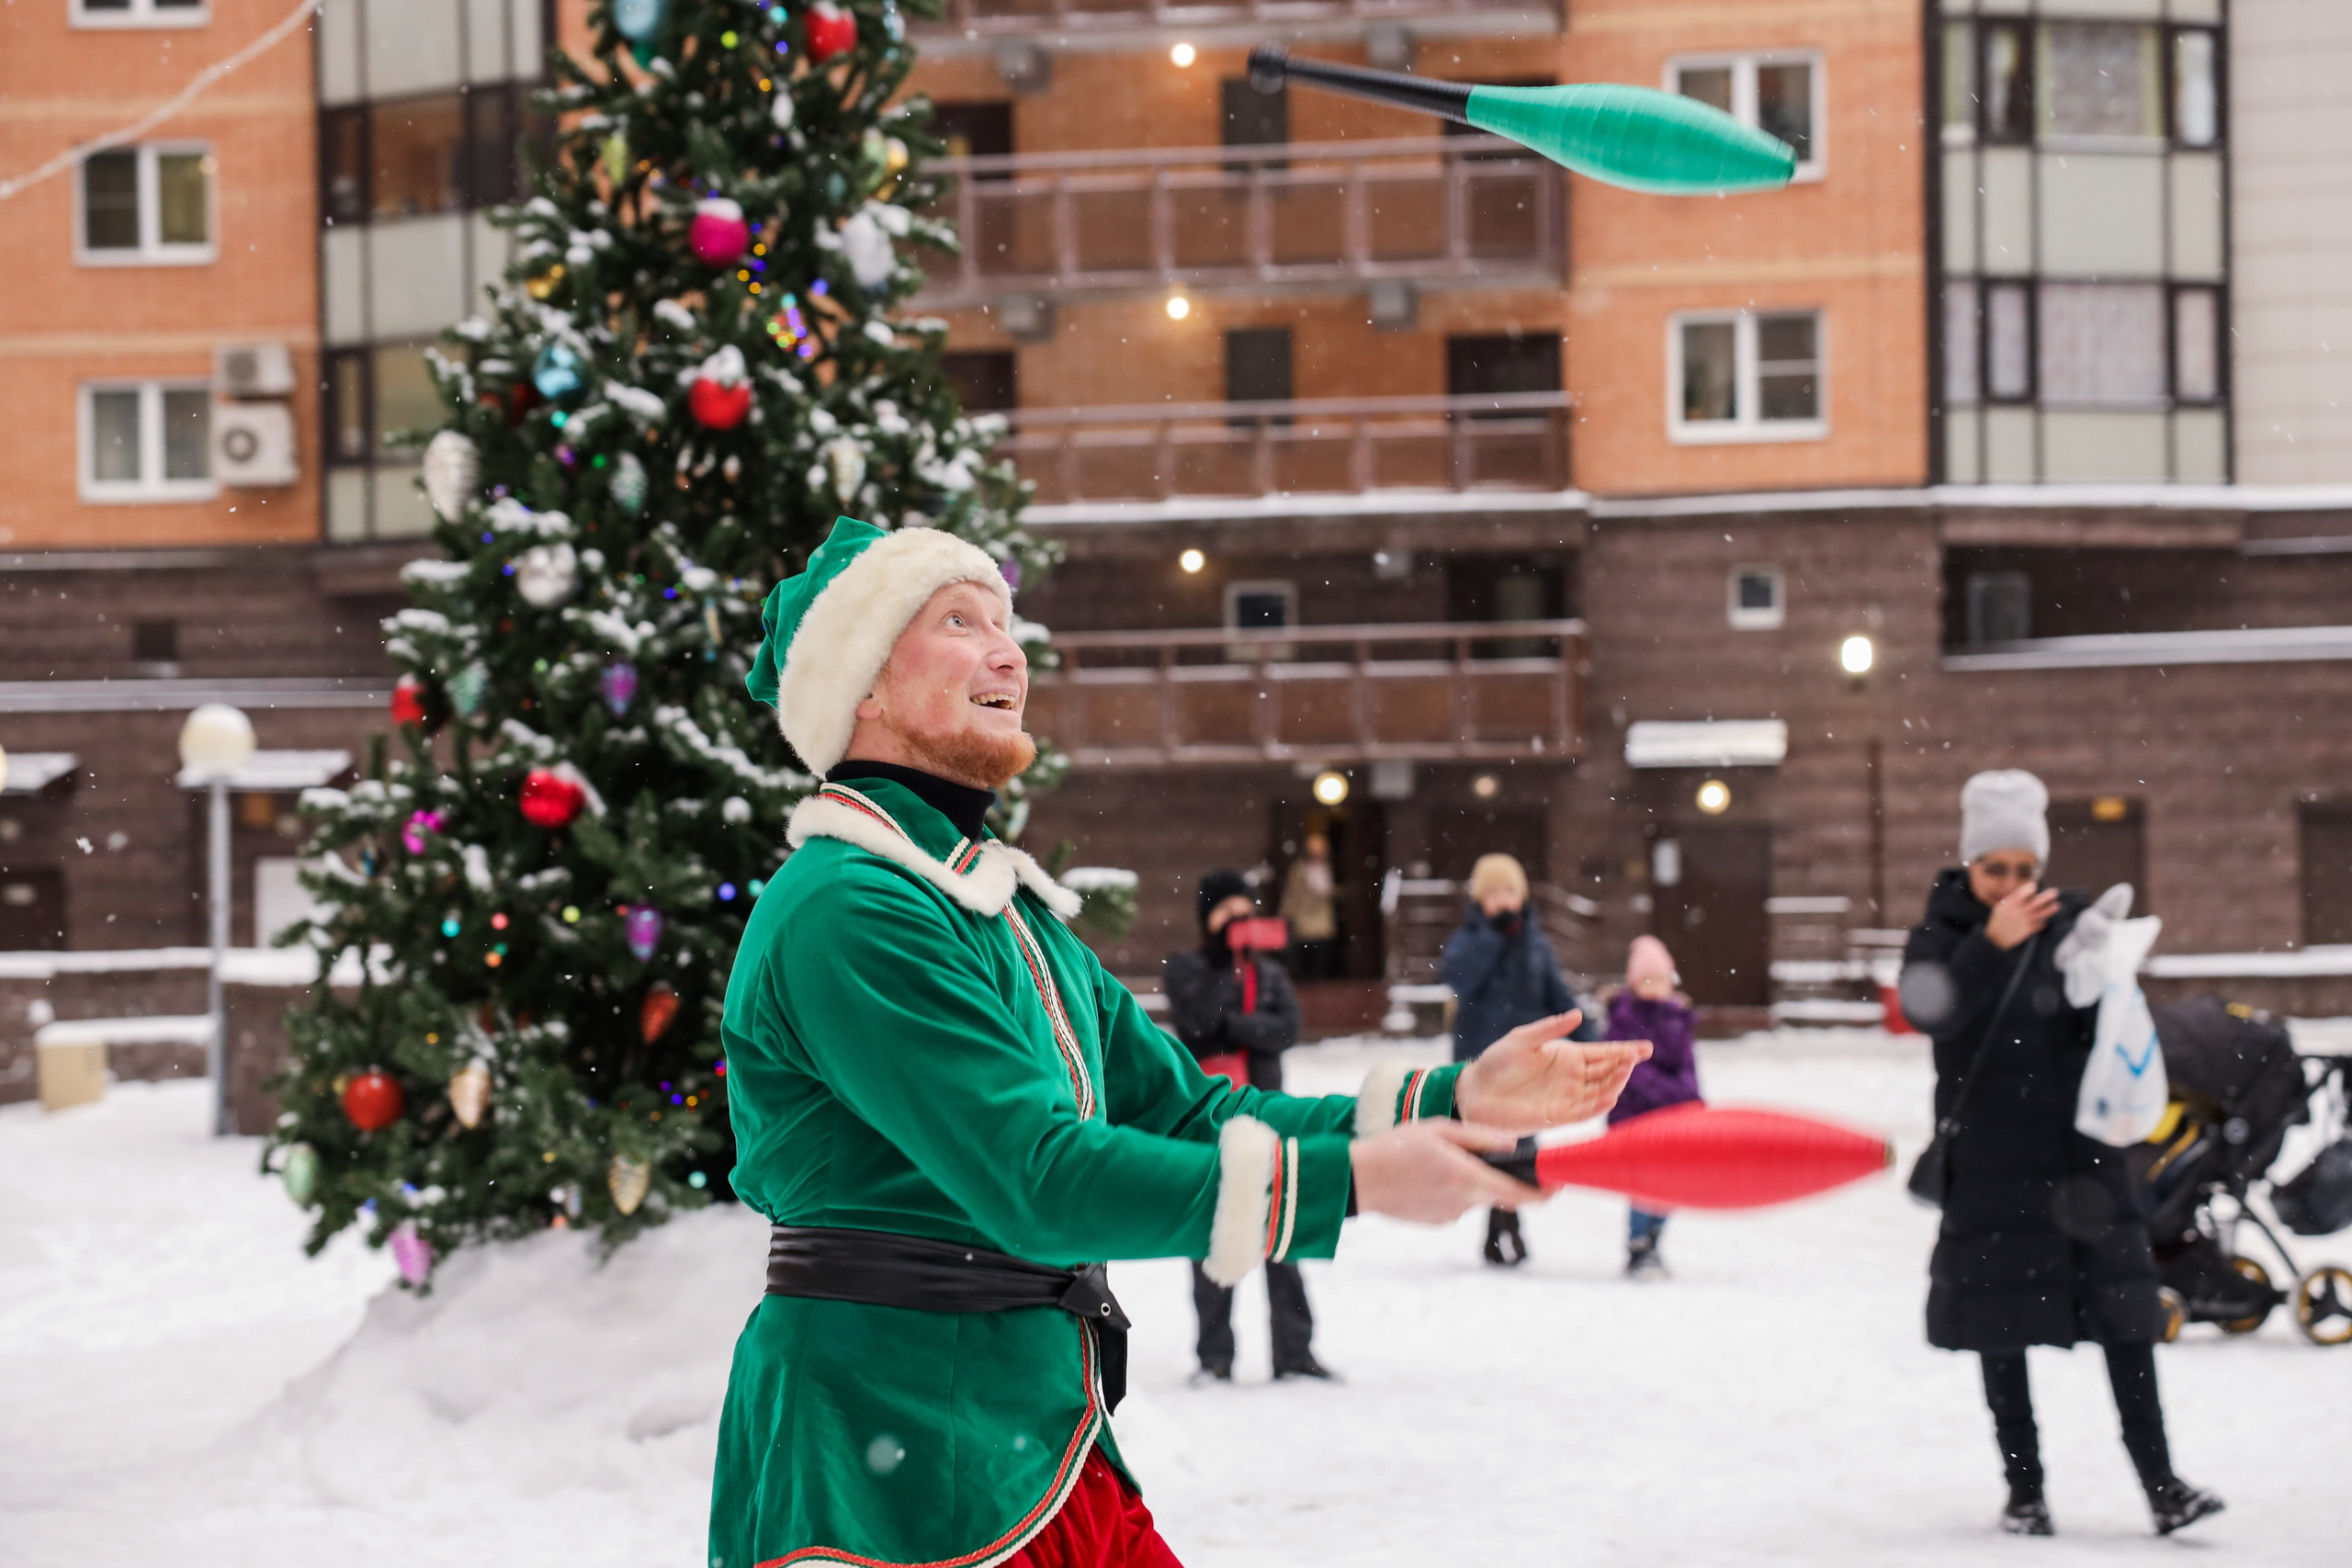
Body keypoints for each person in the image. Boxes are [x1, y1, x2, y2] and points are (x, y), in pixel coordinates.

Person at [713, 517, 1651, 1568]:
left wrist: (1452, 1103)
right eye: (958, 621)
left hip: (1029, 1436)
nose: (1007, 650)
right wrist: (1353, 1182)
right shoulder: (849, 907)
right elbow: (1032, 1175)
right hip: (878, 1457)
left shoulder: (1000, 910)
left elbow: (1189, 1110)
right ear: (864, 688)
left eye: (1005, 622)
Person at [1899, 770, 2222, 1540]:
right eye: (1994, 869)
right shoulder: (1941, 931)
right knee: (2000, 1329)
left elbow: (2106, 1028)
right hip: (1990, 1161)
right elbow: (1928, 1010)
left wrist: (2100, 966)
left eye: (2023, 869)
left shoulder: (2071, 927)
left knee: (2126, 1317)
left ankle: (2163, 1484)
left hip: (2081, 1159)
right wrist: (1990, 945)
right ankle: (2025, 1492)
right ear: (1970, 865)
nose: (2011, 884)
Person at [1164, 870, 1329, 1382]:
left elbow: (1286, 1029)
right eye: (1225, 911)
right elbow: (1195, 1022)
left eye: (1244, 910)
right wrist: (1222, 967)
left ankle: (1295, 1354)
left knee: (1283, 1233)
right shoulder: (1189, 967)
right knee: (1212, 1236)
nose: (1237, 919)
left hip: (1268, 1115)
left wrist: (1234, 1027)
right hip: (1211, 1120)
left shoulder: (1271, 972)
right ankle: (1214, 1357)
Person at [1441, 852, 1605, 1268]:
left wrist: (1591, 1039)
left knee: (1522, 1142)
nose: (1503, 899)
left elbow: (1558, 997)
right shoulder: (1469, 938)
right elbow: (1459, 978)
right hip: (1482, 1062)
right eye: (1493, 891)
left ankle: (1502, 1227)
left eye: (1509, 889)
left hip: (1530, 1064)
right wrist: (1495, 937)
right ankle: (1504, 1226)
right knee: (1492, 1145)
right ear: (1480, 898)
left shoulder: (1535, 942)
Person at [1602, 935, 1701, 1279]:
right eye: (1646, 980)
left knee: (1672, 1182)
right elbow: (1631, 1071)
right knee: (1643, 1184)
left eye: (1659, 979)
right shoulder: (1624, 1018)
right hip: (1634, 1116)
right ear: (1633, 983)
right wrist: (1673, 1093)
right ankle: (1638, 1244)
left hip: (1673, 1116)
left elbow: (1688, 1065)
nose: (1654, 987)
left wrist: (1692, 1098)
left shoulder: (1678, 1018)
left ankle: (1656, 1239)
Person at [1280, 832, 1340, 980]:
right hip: (1304, 916)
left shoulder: (1325, 868)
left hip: (1321, 917)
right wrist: (1286, 913)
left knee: (1320, 952)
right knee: (1306, 953)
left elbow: (1326, 891)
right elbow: (1292, 893)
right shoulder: (1299, 869)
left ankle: (1316, 980)